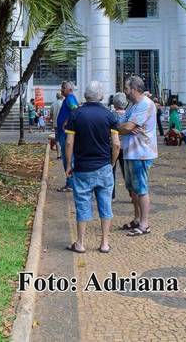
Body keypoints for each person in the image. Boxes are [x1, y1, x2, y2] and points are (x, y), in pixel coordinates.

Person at [63, 81, 120, 254]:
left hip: (82, 168)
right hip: (103, 166)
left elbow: (68, 143)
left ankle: (80, 243)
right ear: (101, 96)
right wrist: (111, 163)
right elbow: (116, 145)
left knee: (82, 204)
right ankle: (104, 243)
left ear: (85, 96)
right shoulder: (110, 116)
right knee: (105, 204)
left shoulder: (76, 115)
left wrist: (68, 164)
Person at [117, 75, 158, 236]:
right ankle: (136, 219)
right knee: (133, 188)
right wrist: (124, 127)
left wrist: (125, 127)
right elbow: (120, 124)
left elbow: (127, 126)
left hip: (141, 153)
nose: (124, 92)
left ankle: (144, 224)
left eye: (126, 89)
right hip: (131, 152)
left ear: (134, 89)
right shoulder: (132, 105)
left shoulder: (145, 104)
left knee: (141, 188)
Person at [55, 81, 80, 192]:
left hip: (66, 134)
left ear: (69, 89)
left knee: (68, 158)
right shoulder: (68, 99)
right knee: (67, 158)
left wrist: (66, 122)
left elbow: (75, 111)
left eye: (63, 88)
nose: (61, 90)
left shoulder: (70, 98)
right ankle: (70, 182)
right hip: (63, 133)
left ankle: (70, 184)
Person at [111, 92, 128, 200]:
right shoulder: (128, 114)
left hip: (112, 145)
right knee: (127, 172)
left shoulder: (112, 114)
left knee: (111, 171)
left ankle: (111, 195)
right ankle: (132, 194)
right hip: (126, 146)